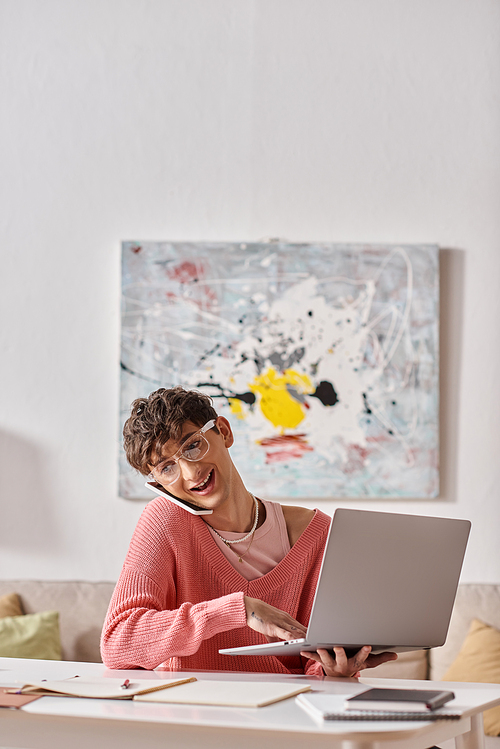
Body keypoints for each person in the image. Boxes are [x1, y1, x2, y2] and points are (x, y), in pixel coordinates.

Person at [101, 387, 397, 677]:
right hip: (196, 713)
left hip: (289, 714)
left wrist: (334, 670)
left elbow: (317, 654)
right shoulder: (165, 522)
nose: (190, 473)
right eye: (167, 468)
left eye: (192, 445)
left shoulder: (316, 534)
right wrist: (237, 608)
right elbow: (117, 643)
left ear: (224, 431)